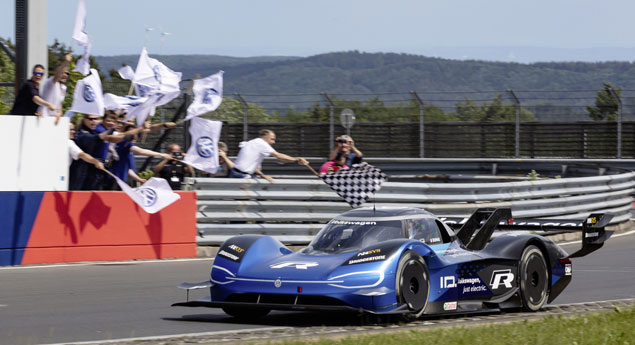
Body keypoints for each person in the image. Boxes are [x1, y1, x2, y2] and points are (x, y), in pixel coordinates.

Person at [229, 129, 307, 182]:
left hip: (237, 173)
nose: (274, 142)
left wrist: (263, 176)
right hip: (242, 176)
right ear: (264, 137)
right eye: (272, 139)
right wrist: (296, 159)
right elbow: (279, 156)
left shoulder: (253, 143)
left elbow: (250, 165)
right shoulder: (262, 144)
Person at [38, 53, 72, 123]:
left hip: (52, 121)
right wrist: (66, 62)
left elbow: (59, 103)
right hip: (43, 118)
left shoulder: (63, 87)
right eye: (63, 73)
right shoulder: (50, 82)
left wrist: (59, 113)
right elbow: (57, 75)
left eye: (67, 73)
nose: (65, 75)